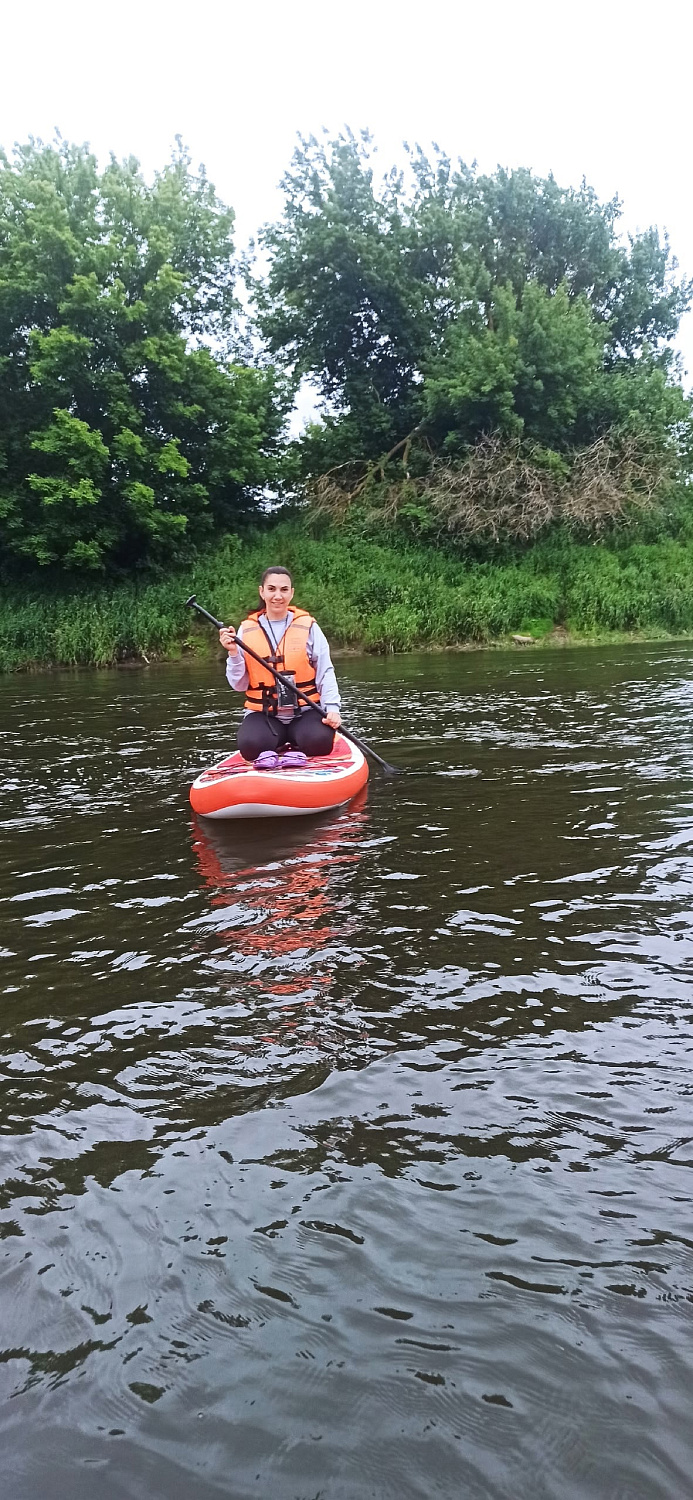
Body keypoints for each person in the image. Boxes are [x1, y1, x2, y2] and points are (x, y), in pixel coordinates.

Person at [219, 566, 342, 761]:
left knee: (318, 741)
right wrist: (233, 653)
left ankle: (295, 744)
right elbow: (238, 685)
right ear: (262, 591)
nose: (278, 596)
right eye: (272, 589)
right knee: (250, 746)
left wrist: (332, 708)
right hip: (265, 715)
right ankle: (276, 745)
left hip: (305, 712)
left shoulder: (309, 627)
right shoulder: (246, 630)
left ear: (291, 593)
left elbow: (325, 672)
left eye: (284, 590)